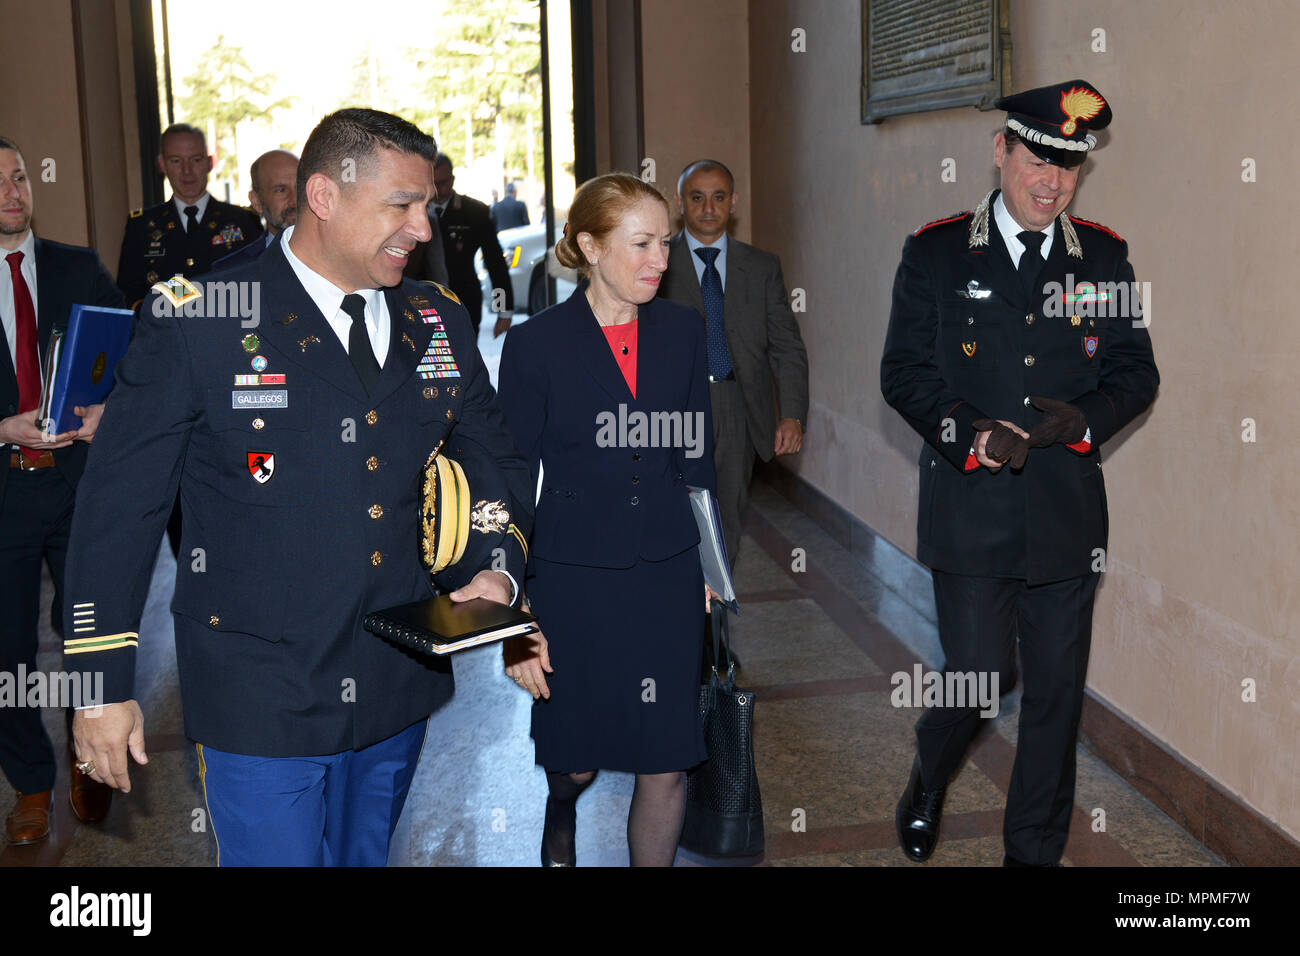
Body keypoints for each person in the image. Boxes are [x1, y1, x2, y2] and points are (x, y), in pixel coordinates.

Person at [62, 108, 531, 867]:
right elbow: (119, 506)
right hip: (261, 691)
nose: (421, 226)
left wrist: (495, 562)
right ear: (323, 196)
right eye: (401, 205)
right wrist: (99, 684)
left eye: (427, 206)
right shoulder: (202, 318)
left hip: (395, 677)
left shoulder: (436, 321)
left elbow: (494, 460)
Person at [880, 80, 1158, 866]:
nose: (1052, 182)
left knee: (1055, 703)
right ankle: (929, 776)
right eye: (1039, 158)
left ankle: (1030, 857)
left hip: (1069, 516)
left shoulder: (1101, 255)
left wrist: (1086, 420)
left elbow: (1136, 373)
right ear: (1001, 150)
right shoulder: (936, 251)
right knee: (977, 683)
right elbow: (902, 374)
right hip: (971, 508)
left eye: (1070, 168)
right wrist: (971, 435)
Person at [497, 172, 716, 867]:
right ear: (590, 245)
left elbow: (696, 458)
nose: (661, 260)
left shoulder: (683, 330)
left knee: (667, 763)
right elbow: (508, 480)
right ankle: (562, 805)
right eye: (642, 243)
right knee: (578, 763)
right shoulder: (536, 346)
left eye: (668, 244)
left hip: (667, 573)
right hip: (571, 582)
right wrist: (514, 603)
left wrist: (710, 566)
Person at [0, 136, 121, 843]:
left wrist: (108, 412)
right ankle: (31, 786)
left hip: (77, 488)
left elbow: (129, 360)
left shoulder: (78, 269)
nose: (13, 191)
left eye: (20, 177)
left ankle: (90, 750)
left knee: (89, 634)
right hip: (5, 490)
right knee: (7, 651)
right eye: (0, 182)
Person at [658, 159, 808, 568]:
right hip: (673, 411)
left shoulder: (761, 267)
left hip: (737, 408)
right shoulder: (657, 263)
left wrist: (792, 413)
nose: (709, 208)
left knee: (725, 520)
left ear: (734, 202)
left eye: (719, 197)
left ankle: (715, 615)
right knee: (673, 514)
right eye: (697, 197)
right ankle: (681, 612)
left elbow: (786, 346)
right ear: (679, 203)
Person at [116, 123, 262, 310]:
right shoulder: (141, 225)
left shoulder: (242, 221)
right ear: (162, 164)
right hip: (165, 332)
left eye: (196, 160)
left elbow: (257, 286)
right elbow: (128, 295)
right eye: (176, 161)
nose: (187, 171)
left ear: (209, 163)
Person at [413, 153, 514, 337]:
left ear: (452, 180)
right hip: (420, 304)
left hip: (463, 302)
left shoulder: (474, 212)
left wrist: (504, 311)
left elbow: (495, 263)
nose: (436, 189)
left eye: (442, 183)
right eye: (432, 183)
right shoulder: (412, 210)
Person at [211, 149, 299, 270]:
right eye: (281, 190)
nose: (294, 200)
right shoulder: (232, 272)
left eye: (300, 187)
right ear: (256, 201)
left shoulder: (333, 256)